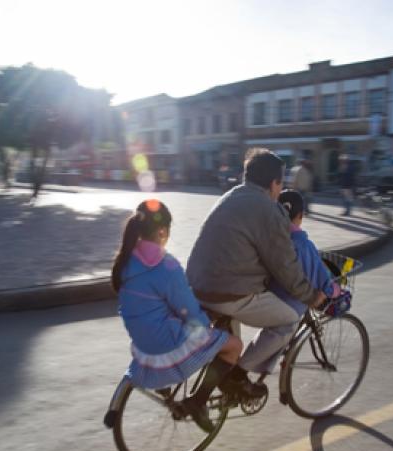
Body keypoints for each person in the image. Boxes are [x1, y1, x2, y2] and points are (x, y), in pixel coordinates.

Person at [187, 148, 327, 391]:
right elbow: (285, 267)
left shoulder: (230, 196)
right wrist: (312, 296)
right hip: (229, 292)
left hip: (196, 285)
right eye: (280, 183)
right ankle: (238, 375)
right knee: (288, 320)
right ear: (275, 183)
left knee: (232, 331)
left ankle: (210, 390)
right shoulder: (270, 210)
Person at [112, 199, 243, 432]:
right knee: (232, 346)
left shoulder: (124, 261)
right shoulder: (166, 266)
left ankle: (167, 384)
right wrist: (206, 327)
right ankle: (198, 401)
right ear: (163, 231)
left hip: (142, 343)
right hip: (166, 344)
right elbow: (188, 310)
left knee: (199, 327)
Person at [271, 189, 345, 317]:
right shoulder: (304, 245)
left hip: (270, 298)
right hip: (292, 304)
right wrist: (335, 290)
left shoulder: (271, 240)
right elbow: (322, 280)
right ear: (300, 215)